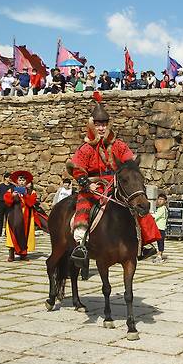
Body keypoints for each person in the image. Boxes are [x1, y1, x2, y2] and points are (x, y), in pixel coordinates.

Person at [66, 93, 137, 265]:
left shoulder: (119, 145)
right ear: (92, 125)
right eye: (98, 125)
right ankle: (80, 244)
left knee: (137, 207)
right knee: (83, 210)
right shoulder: (85, 149)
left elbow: (128, 161)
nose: (101, 128)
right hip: (93, 187)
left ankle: (143, 244)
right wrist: (83, 181)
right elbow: (76, 168)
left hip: (115, 186)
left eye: (104, 124)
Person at [3, 170, 37, 261]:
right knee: (12, 234)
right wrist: (12, 196)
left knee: (26, 234)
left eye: (23, 180)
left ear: (26, 181)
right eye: (20, 180)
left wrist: (25, 195)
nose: (22, 182)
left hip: (27, 216)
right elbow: (6, 201)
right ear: (17, 181)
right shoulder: (11, 190)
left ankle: (23, 254)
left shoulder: (31, 192)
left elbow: (31, 203)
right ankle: (11, 254)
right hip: (14, 216)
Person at [0, 172, 14, 237]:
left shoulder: (12, 186)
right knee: (0, 218)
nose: (10, 179)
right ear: (5, 178)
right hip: (1, 203)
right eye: (9, 177)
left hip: (9, 204)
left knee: (8, 218)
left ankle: (7, 232)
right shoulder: (0, 186)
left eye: (10, 178)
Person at [153, 194, 168, 263]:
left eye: (162, 199)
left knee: (160, 242)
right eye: (159, 199)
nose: (160, 201)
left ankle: (159, 256)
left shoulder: (162, 209)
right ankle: (159, 254)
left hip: (160, 228)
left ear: (165, 201)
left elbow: (155, 216)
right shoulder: (161, 208)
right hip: (159, 228)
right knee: (159, 242)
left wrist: (148, 214)